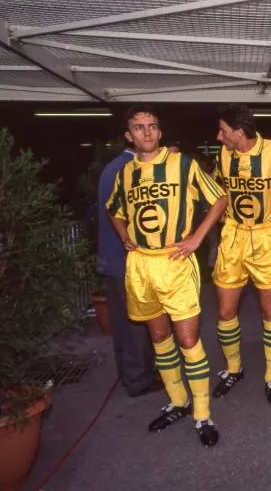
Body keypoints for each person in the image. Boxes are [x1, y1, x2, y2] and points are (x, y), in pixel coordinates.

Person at [106, 105, 227, 447]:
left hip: (175, 261)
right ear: (128, 136)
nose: (147, 132)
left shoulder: (183, 164)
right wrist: (123, 235)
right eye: (139, 127)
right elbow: (113, 209)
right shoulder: (125, 173)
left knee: (188, 340)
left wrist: (197, 238)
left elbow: (219, 199)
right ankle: (178, 401)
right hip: (141, 265)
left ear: (160, 132)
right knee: (160, 340)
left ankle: (202, 412)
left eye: (152, 126)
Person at [210, 104, 271, 405]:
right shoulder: (223, 155)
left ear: (239, 132)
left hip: (266, 237)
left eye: (223, 131)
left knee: (270, 312)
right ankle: (233, 369)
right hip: (233, 236)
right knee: (224, 312)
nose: (219, 137)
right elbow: (219, 190)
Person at [97, 143, 159, 398]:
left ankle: (131, 375)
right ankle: (139, 379)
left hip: (112, 258)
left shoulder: (111, 167)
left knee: (124, 323)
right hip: (126, 259)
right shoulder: (128, 169)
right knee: (135, 322)